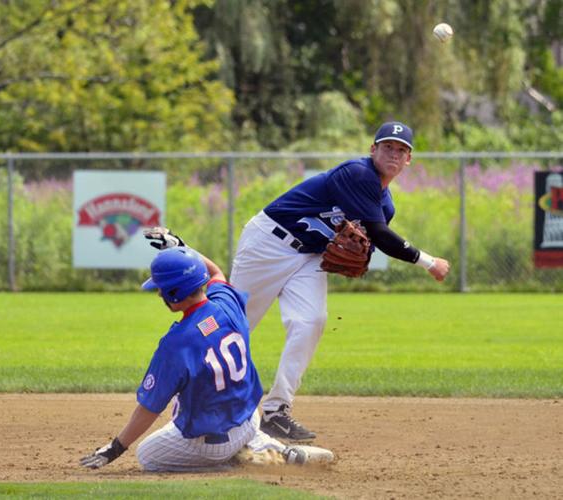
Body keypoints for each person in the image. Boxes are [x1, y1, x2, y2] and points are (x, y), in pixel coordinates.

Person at [147, 121, 450, 442]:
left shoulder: (385, 205)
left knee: (311, 320)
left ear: (409, 160)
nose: (394, 153)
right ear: (373, 150)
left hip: (309, 257)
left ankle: (276, 411)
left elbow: (371, 240)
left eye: (401, 150)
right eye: (388, 146)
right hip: (268, 243)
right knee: (231, 326)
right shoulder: (358, 173)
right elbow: (381, 236)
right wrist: (429, 262)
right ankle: (187, 404)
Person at [79, 246, 324, 472]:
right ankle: (264, 447)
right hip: (250, 420)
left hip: (213, 444)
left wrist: (115, 447)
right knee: (186, 400)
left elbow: (149, 408)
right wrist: (182, 249)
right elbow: (215, 270)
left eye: (161, 288)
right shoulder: (226, 303)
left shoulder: (176, 343)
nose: (159, 294)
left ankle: (230, 462)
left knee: (147, 455)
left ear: (175, 293)